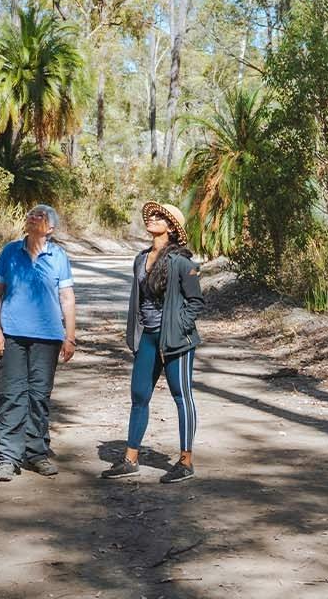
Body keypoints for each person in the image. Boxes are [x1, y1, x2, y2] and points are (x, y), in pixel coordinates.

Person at [103, 200, 204, 484]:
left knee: (181, 397)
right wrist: (135, 334)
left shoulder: (182, 263)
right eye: (154, 215)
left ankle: (186, 462)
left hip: (176, 341)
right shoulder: (140, 258)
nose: (154, 218)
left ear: (171, 228)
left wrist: (178, 327)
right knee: (139, 396)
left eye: (161, 217)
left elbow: (196, 302)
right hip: (147, 337)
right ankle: (130, 459)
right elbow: (138, 300)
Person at [0, 202, 77, 481]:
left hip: (48, 337)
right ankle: (8, 457)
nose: (31, 217)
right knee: (12, 396)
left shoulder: (59, 256)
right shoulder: (10, 252)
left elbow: (67, 298)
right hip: (12, 334)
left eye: (38, 216)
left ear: (50, 227)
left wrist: (70, 335)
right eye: (30, 214)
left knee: (39, 397)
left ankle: (37, 453)